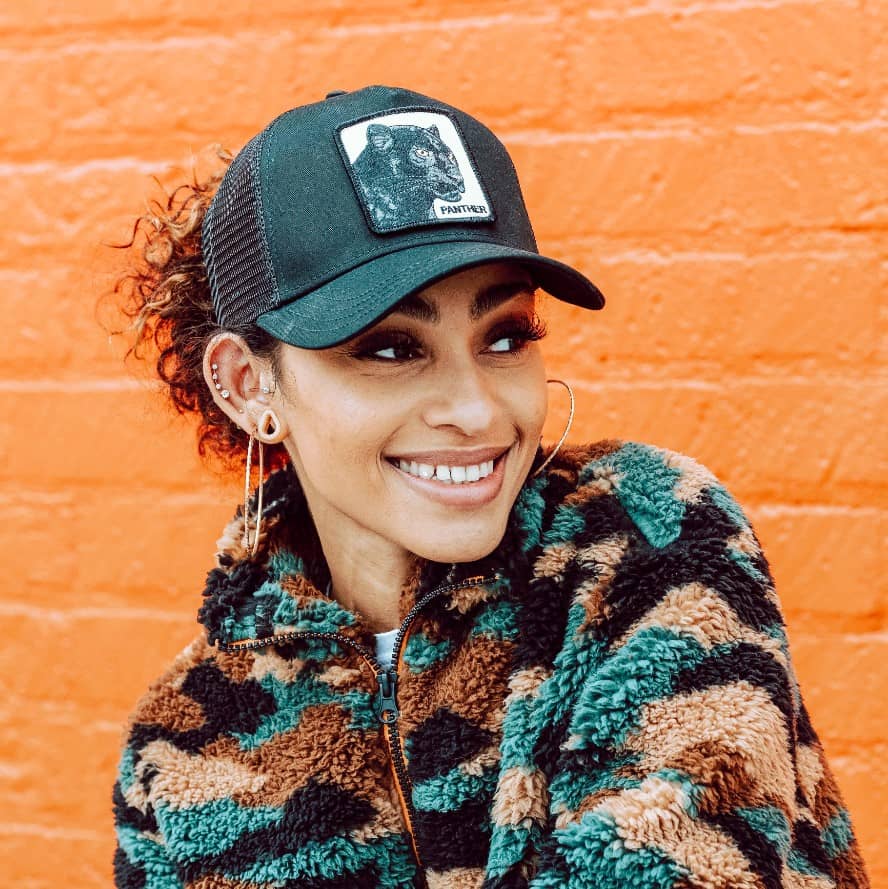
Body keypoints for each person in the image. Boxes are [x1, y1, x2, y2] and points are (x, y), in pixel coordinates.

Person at [110, 85, 869, 889]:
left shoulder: (644, 543)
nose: (476, 410)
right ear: (246, 384)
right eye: (392, 349)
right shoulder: (181, 741)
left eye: (505, 336)